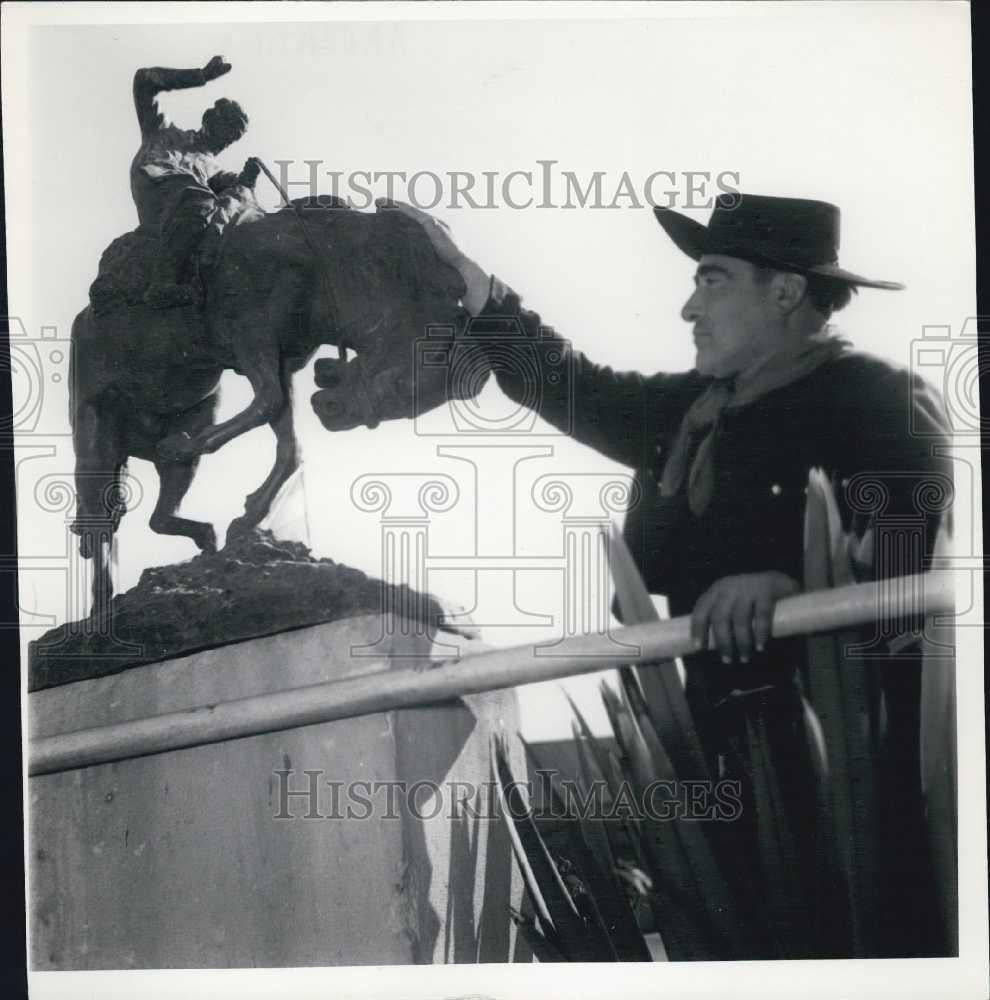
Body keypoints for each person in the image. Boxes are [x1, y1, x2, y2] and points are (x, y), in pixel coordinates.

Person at [385, 193, 953, 957]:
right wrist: (474, 282)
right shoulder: (692, 410)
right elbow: (567, 384)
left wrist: (795, 590)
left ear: (785, 292)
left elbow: (913, 566)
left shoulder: (877, 398)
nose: (689, 307)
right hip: (707, 755)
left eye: (712, 280)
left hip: (851, 786)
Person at [129, 55, 261, 308]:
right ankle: (162, 283)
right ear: (209, 120)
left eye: (233, 136)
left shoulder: (215, 171)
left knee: (230, 211)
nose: (227, 138)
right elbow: (143, 80)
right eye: (226, 127)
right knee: (198, 198)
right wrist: (200, 75)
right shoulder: (163, 130)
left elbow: (238, 196)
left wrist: (248, 179)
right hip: (154, 187)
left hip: (187, 206)